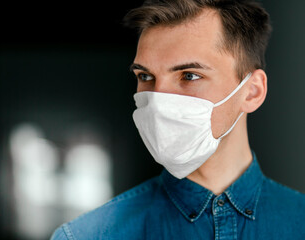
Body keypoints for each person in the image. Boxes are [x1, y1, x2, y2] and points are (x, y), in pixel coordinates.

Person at [51, 0, 305, 239]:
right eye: (146, 76)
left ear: (252, 91)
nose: (158, 101)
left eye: (189, 76)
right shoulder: (85, 236)